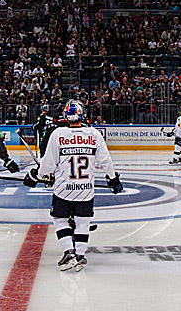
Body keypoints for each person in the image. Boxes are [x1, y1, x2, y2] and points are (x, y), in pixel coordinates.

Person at [24, 100, 123, 272]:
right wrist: (113, 179)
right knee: (83, 222)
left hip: (63, 188)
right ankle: (80, 255)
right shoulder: (93, 134)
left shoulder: (58, 134)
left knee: (61, 219)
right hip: (85, 189)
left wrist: (36, 175)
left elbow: (48, 164)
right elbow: (106, 161)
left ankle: (69, 252)